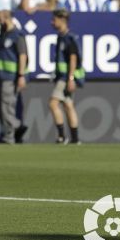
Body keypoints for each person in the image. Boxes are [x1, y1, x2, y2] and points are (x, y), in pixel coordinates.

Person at [0, 9, 28, 144]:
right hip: (0, 75)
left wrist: (21, 75)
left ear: (6, 18)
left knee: (7, 107)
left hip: (11, 76)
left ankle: (9, 137)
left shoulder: (17, 35)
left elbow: (23, 55)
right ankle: (17, 125)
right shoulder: (3, 34)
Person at [49, 8, 83, 144]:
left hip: (66, 77)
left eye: (54, 20)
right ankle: (75, 139)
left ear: (62, 21)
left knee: (53, 103)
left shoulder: (69, 38)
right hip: (63, 76)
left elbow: (73, 59)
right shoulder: (61, 37)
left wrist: (71, 78)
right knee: (68, 105)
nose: (52, 22)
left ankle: (62, 136)